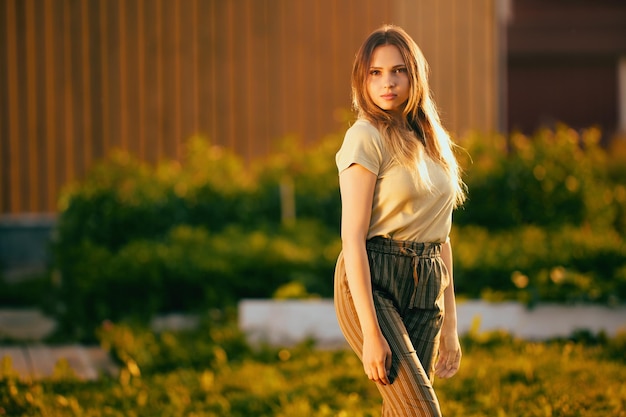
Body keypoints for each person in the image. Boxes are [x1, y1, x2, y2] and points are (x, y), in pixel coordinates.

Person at [334, 25, 466, 416]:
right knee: (421, 412)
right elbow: (352, 237)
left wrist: (451, 326)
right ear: (363, 78)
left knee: (401, 412)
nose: (387, 82)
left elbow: (441, 238)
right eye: (375, 72)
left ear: (414, 75)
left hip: (427, 284)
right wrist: (371, 333)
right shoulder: (365, 136)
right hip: (374, 280)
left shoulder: (432, 140)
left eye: (398, 71)